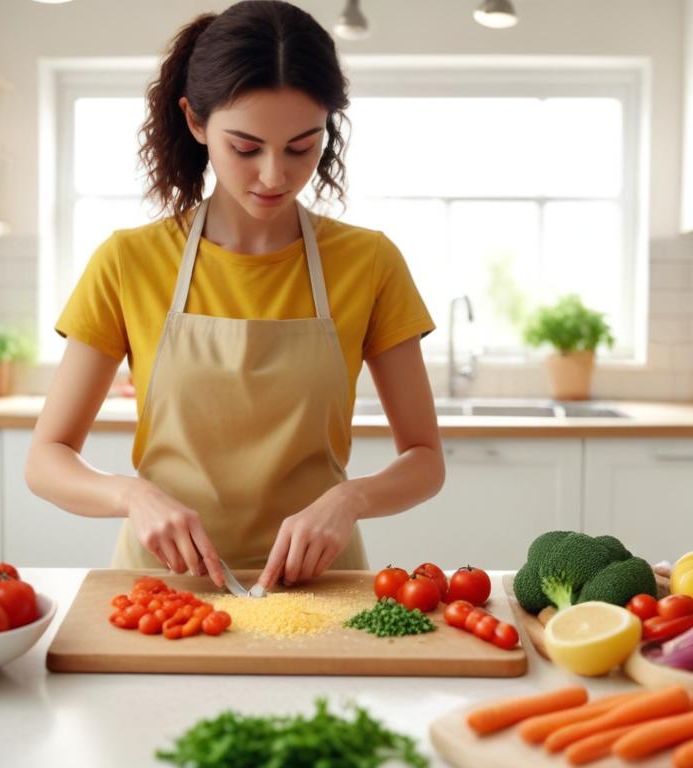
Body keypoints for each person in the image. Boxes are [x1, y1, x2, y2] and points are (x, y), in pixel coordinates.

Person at [26, 1, 444, 592]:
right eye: (246, 148)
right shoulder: (129, 261)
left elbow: (425, 458)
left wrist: (350, 499)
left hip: (321, 587)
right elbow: (47, 458)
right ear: (196, 123)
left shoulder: (369, 262)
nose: (274, 175)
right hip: (164, 589)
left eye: (301, 146)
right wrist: (131, 495)